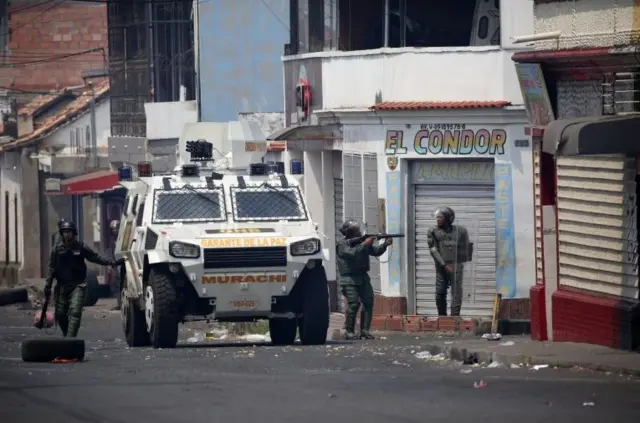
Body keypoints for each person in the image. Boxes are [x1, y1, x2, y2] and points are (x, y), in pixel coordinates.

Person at [44, 220, 126, 337]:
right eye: (65, 232)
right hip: (62, 286)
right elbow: (51, 269)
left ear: (73, 233)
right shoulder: (56, 250)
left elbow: (95, 257)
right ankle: (67, 334)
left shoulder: (80, 247)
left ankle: (71, 338)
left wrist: (111, 262)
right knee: (60, 314)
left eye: (69, 232)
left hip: (78, 285)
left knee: (75, 312)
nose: (67, 235)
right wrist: (48, 286)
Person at [336, 220, 392, 340]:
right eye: (357, 230)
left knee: (368, 301)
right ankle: (349, 330)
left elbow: (375, 251)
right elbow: (352, 253)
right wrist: (365, 243)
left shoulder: (362, 242)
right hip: (349, 278)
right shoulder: (342, 244)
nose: (359, 231)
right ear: (350, 232)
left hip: (362, 277)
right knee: (354, 304)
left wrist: (385, 244)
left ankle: (365, 331)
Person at [426, 207, 470, 317]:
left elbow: (466, 249)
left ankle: (455, 318)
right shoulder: (433, 231)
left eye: (440, 217)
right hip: (442, 267)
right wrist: (443, 264)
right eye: (437, 217)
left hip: (456, 266)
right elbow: (433, 249)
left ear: (448, 218)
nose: (437, 220)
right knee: (440, 293)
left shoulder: (461, 231)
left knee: (456, 293)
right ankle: (442, 318)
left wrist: (460, 263)